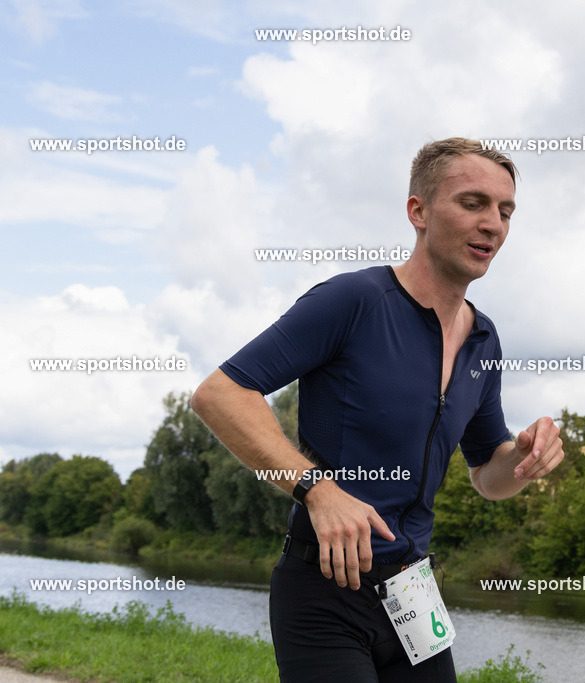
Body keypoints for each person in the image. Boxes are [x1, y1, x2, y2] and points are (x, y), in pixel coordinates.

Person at [190, 137, 564, 682]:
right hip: (326, 585)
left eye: (505, 211)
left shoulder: (484, 340)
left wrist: (525, 457)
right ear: (418, 211)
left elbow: (488, 474)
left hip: (414, 593)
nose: (493, 224)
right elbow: (220, 394)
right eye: (473, 203)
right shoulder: (354, 301)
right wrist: (317, 490)